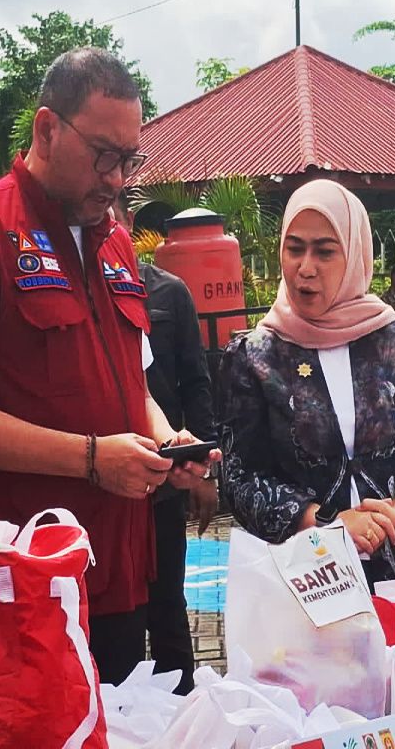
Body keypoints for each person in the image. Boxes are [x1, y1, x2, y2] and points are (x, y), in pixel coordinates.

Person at [0, 48, 219, 685]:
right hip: (23, 578)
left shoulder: (112, 240)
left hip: (119, 565)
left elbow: (134, 385)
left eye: (130, 160)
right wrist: (88, 457)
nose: (116, 178)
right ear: (47, 129)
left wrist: (166, 443)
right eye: (104, 154)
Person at [218, 179, 395, 586]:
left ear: (354, 255)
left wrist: (394, 515)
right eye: (294, 249)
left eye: (325, 251)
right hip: (303, 582)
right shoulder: (257, 356)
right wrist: (327, 524)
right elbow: (241, 477)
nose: (305, 268)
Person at [112, 195, 216, 695]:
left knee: (169, 607)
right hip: (107, 487)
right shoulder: (84, 293)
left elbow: (194, 383)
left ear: (129, 223)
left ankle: (186, 709)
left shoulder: (167, 292)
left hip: (167, 478)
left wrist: (201, 469)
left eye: (115, 211)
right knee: (120, 623)